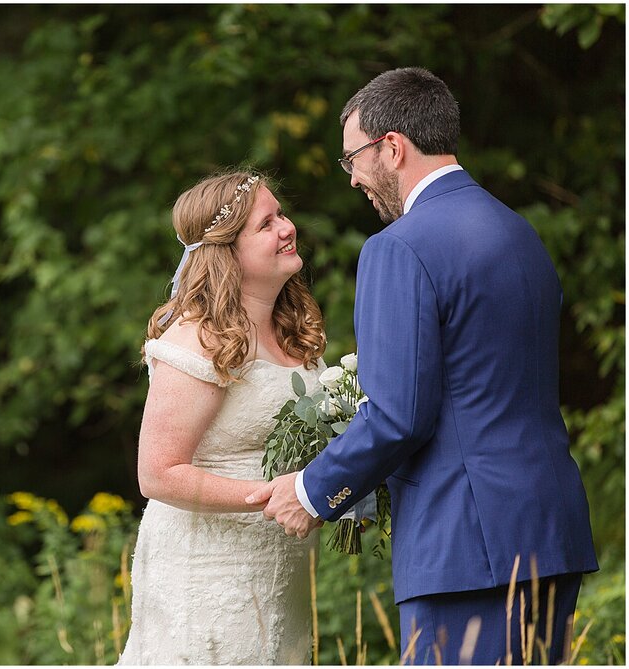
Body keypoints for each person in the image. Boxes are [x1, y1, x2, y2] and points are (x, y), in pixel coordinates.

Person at [248, 67, 598, 665]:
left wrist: (311, 491)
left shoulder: (399, 248)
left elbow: (399, 416)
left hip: (466, 549)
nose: (353, 177)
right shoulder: (520, 234)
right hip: (552, 533)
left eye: (353, 158)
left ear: (392, 146)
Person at [117, 171, 327, 665]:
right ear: (226, 253)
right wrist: (277, 498)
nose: (287, 228)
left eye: (282, 214)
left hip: (281, 572)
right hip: (208, 569)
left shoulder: (296, 334)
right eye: (265, 224)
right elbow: (157, 472)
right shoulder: (198, 338)